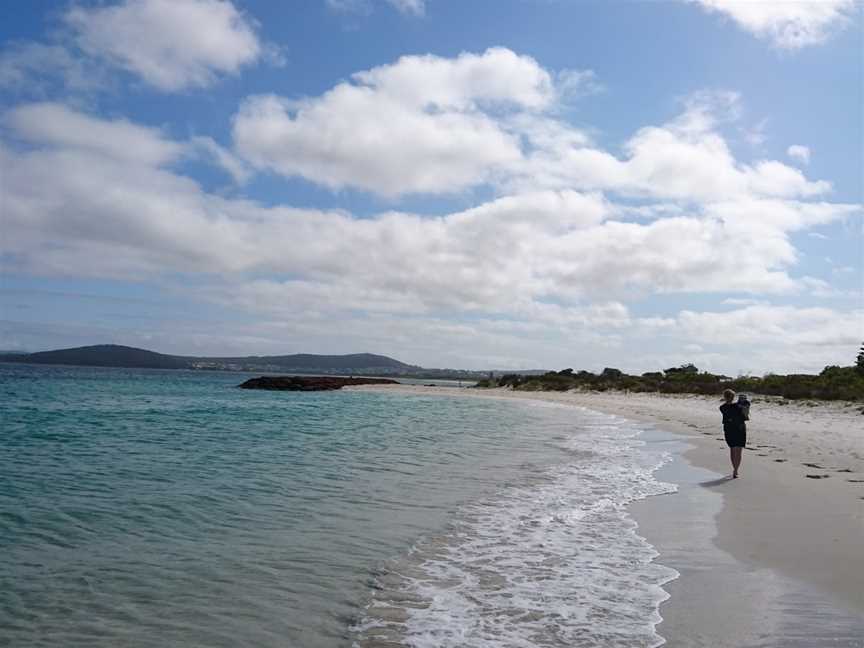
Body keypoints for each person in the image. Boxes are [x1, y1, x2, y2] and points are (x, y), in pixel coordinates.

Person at [719, 388, 747, 478]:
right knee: (738, 451)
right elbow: (746, 416)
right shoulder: (738, 406)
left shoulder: (722, 407)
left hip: (729, 429)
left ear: (724, 397)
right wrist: (744, 405)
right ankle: (736, 470)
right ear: (733, 397)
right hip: (739, 429)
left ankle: (734, 469)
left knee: (733, 449)